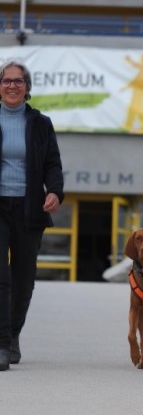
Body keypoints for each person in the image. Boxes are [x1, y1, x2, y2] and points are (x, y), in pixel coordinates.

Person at [0, 58, 64, 371]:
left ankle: (13, 335)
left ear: (27, 88)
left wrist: (54, 191)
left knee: (23, 280)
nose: (12, 85)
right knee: (1, 278)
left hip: (29, 209)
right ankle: (1, 344)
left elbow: (53, 163)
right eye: (6, 80)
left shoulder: (40, 123)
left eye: (18, 81)